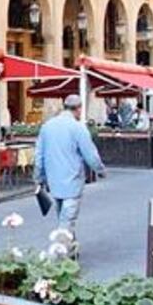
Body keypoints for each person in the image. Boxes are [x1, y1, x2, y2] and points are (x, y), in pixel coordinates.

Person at [34, 94, 106, 248]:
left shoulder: (47, 126)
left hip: (54, 181)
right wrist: (100, 170)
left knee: (63, 216)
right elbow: (90, 153)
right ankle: (59, 256)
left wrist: (38, 177)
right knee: (66, 221)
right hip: (72, 180)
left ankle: (72, 250)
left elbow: (38, 155)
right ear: (79, 109)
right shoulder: (78, 127)